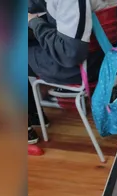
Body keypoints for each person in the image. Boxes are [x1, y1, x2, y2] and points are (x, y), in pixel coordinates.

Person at [27, 0, 97, 144]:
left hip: (82, 68)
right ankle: (34, 116)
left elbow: (69, 54)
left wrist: (34, 22)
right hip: (111, 56)